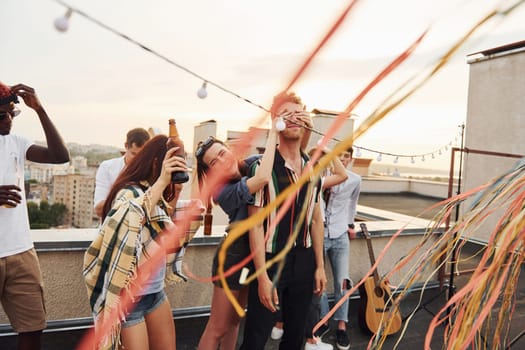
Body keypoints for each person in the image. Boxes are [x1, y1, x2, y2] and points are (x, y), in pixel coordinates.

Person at [83, 135, 191, 350]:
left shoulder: (158, 191)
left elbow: (163, 228)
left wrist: (176, 189)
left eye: (183, 158)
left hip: (155, 291)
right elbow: (130, 215)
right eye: (174, 158)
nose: (180, 162)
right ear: (155, 162)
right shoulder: (130, 190)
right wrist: (162, 181)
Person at [239, 91, 327, 350]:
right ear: (276, 122)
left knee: (295, 337)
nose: (293, 120)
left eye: (297, 115)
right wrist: (263, 277)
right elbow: (254, 224)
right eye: (285, 115)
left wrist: (320, 266)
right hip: (271, 260)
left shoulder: (312, 169)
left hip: (305, 260)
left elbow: (316, 221)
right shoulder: (263, 168)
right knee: (256, 336)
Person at [194, 115, 279, 350]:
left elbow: (278, 158)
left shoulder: (250, 163)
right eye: (214, 163)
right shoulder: (222, 192)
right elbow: (262, 178)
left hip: (251, 257)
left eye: (223, 153)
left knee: (235, 320)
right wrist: (273, 129)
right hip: (233, 257)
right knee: (217, 326)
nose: (222, 161)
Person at [0, 82, 70, 350]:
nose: (9, 121)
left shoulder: (15, 143)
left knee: (32, 329)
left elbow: (59, 156)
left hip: (21, 253)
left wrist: (39, 109)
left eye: (13, 114)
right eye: (2, 115)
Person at [303, 146, 349, 350]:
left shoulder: (316, 184)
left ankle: (310, 336)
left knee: (317, 288)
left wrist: (328, 151)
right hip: (307, 242)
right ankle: (310, 337)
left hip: (322, 237)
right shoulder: (305, 181)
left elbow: (342, 174)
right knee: (312, 290)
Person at [318, 146, 361, 350]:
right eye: (340, 155)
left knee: (342, 282)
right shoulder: (321, 177)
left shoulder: (355, 180)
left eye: (347, 156)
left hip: (340, 235)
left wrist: (350, 225)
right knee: (318, 281)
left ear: (350, 159)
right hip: (319, 235)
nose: (343, 159)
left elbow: (353, 204)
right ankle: (324, 321)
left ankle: (341, 326)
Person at [93, 127, 150, 218]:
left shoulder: (151, 171)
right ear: (126, 146)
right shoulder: (107, 167)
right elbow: (99, 209)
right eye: (133, 154)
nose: (137, 159)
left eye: (142, 155)